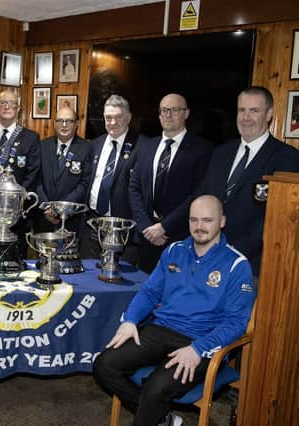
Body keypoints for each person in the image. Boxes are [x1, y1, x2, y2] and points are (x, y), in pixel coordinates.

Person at [93, 195, 255, 426]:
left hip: (201, 341)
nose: (199, 227)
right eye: (194, 220)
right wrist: (130, 320)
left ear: (222, 222)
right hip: (161, 329)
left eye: (207, 220)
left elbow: (237, 323)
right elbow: (149, 293)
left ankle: (153, 416)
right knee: (104, 365)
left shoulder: (237, 265)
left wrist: (198, 348)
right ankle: (161, 419)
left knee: (156, 387)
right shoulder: (173, 251)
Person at [199, 86, 299, 277]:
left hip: (249, 267)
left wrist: (230, 254)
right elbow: (204, 198)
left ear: (269, 114)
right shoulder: (220, 153)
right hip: (207, 257)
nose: (245, 117)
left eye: (254, 111)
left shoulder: (287, 158)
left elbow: (275, 218)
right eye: (241, 110)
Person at [129, 93, 212, 273]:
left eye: (175, 110)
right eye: (164, 110)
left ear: (186, 114)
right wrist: (146, 228)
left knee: (176, 294)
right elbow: (134, 188)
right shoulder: (146, 146)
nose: (168, 115)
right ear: (159, 114)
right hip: (147, 239)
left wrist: (164, 227)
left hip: (178, 237)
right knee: (146, 292)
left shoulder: (202, 150)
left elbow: (197, 195)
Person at [0, 90, 41, 254]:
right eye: (2, 103)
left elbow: (33, 173)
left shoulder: (30, 137)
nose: (7, 106)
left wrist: (16, 200)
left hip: (17, 212)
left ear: (18, 109)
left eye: (11, 103)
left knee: (15, 259)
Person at [82, 94, 146, 261]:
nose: (112, 123)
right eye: (108, 118)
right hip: (93, 225)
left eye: (118, 117)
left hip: (122, 228)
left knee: (118, 279)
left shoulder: (142, 146)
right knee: (91, 275)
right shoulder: (96, 144)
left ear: (128, 118)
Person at [35, 106, 89, 240]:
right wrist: (47, 207)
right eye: (60, 121)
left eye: (69, 121)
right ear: (54, 124)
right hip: (44, 218)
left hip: (72, 220)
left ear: (76, 124)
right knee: (43, 256)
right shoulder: (42, 146)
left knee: (68, 258)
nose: (64, 125)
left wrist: (62, 209)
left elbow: (85, 182)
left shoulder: (87, 148)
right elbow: (36, 179)